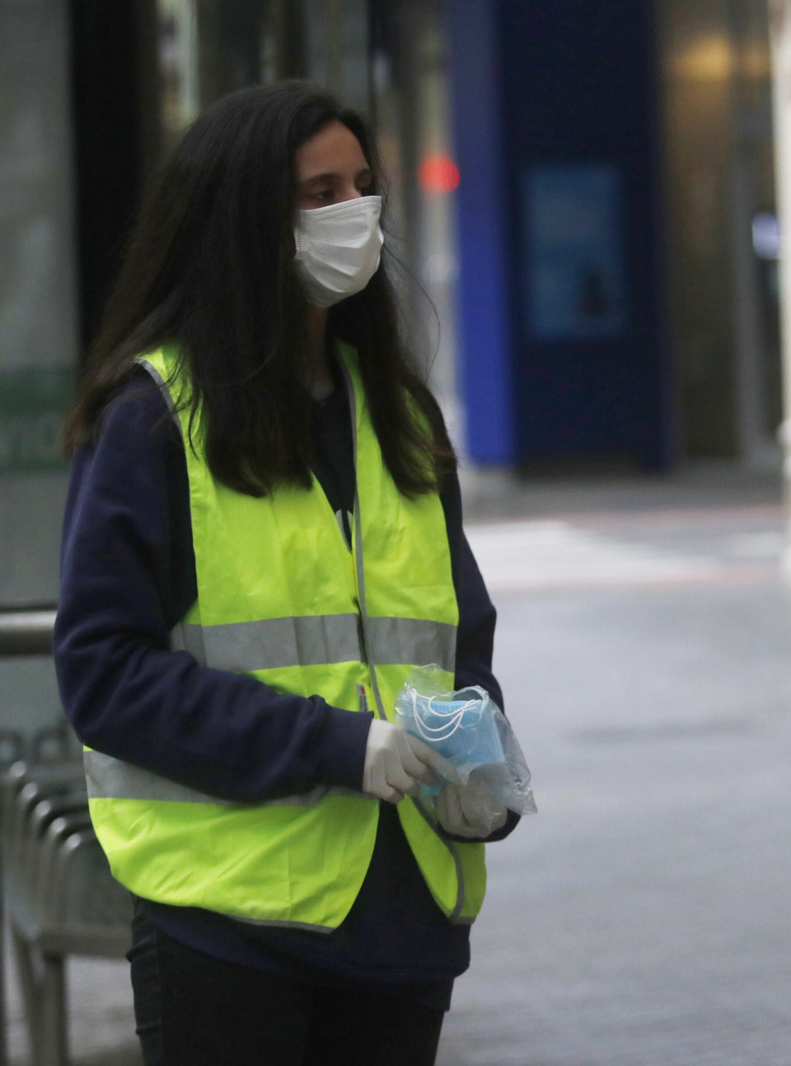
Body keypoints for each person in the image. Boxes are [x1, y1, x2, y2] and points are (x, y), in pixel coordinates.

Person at [54, 82, 517, 1065]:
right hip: (231, 917)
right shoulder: (153, 417)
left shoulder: (398, 412)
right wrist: (334, 743)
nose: (352, 211)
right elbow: (104, 672)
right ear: (239, 220)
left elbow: (456, 634)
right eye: (315, 192)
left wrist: (484, 760)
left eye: (360, 184)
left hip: (403, 912)